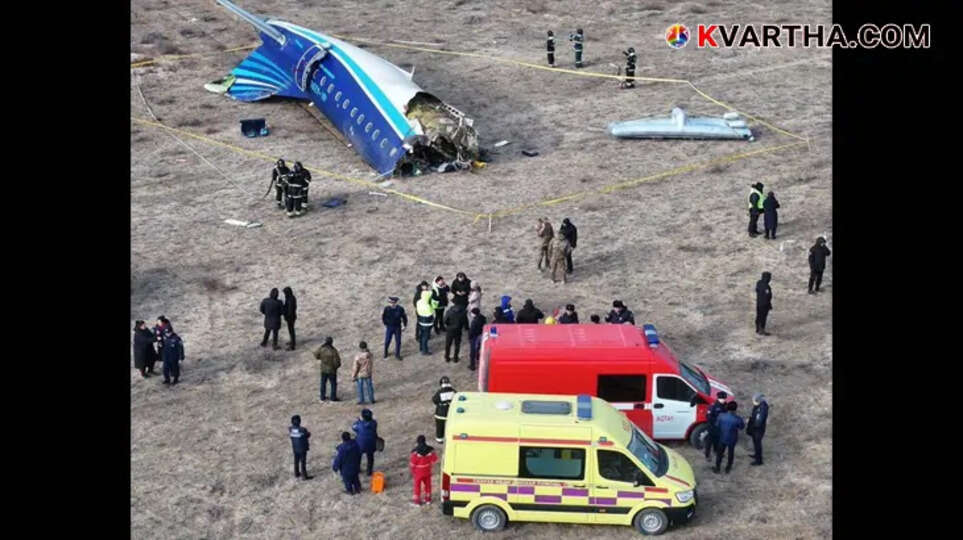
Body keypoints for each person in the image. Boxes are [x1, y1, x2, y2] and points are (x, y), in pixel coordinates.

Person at [714, 401, 745, 474]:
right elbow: (741, 427)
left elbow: (717, 425)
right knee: (731, 453)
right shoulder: (737, 419)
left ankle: (717, 467)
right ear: (735, 409)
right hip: (732, 438)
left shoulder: (721, 416)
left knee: (720, 453)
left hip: (722, 437)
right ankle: (728, 468)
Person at [409, 435, 438, 506]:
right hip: (427, 471)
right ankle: (428, 499)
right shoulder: (430, 450)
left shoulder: (415, 453)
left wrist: (413, 472)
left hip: (418, 473)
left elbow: (412, 464)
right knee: (428, 485)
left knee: (417, 486)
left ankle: (417, 501)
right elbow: (435, 459)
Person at [351, 409, 379, 476]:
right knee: (370, 457)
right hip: (371, 444)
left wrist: (358, 421)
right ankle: (369, 471)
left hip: (360, 445)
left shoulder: (359, 425)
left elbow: (353, 427)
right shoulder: (374, 423)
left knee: (358, 456)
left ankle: (357, 469)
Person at [314, 337, 342, 401]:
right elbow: (337, 362)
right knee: (333, 384)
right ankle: (333, 397)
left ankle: (322, 396)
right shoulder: (333, 351)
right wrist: (336, 367)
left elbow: (316, 355)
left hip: (323, 369)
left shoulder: (321, 348)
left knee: (323, 383)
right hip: (332, 370)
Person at [703, 391, 728, 461]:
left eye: (724, 399)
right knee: (709, 442)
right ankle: (707, 455)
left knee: (718, 441)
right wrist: (717, 421)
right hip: (712, 427)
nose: (723, 400)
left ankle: (716, 451)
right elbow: (708, 417)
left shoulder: (726, 405)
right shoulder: (713, 406)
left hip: (721, 428)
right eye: (722, 399)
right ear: (718, 398)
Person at [747, 393, 769, 466]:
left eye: (754, 401)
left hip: (758, 430)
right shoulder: (760, 405)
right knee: (755, 443)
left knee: (757, 444)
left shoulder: (761, 409)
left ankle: (759, 460)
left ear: (758, 401)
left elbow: (758, 422)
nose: (753, 402)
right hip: (757, 429)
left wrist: (751, 422)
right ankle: (756, 455)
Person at [432, 376, 456, 443]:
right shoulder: (453, 391)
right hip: (450, 414)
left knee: (440, 427)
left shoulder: (440, 392)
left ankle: (439, 439)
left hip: (440, 414)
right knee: (451, 427)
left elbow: (434, 400)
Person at [289, 414, 313, 480]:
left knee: (296, 461)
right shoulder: (303, 429)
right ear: (299, 421)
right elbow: (307, 435)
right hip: (302, 448)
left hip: (295, 448)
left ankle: (296, 473)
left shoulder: (290, 429)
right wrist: (308, 434)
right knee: (303, 462)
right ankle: (304, 476)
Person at [416, 290, 436, 355]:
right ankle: (425, 351)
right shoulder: (428, 306)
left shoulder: (418, 302)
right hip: (427, 323)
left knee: (421, 335)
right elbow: (432, 311)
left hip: (420, 321)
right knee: (425, 337)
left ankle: (421, 347)